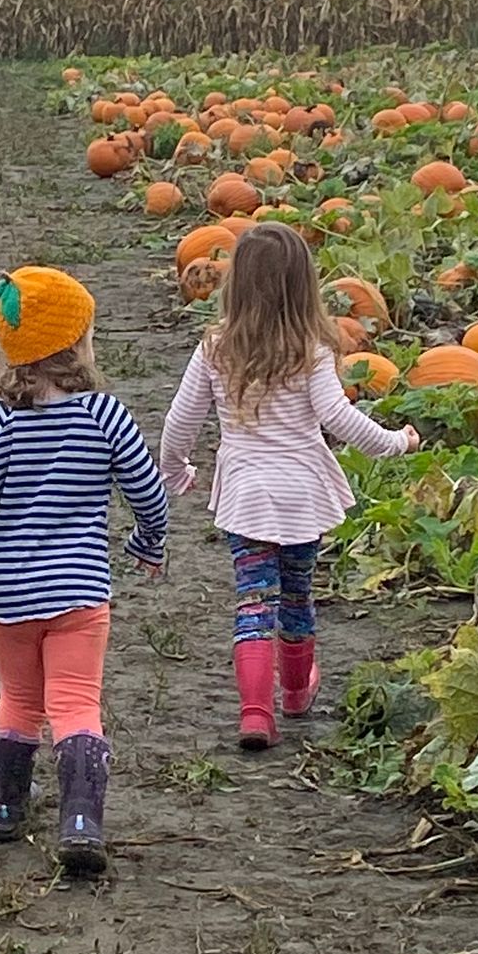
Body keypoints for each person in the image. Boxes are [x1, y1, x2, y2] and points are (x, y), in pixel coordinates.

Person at [0, 268, 168, 876]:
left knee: (18, 700)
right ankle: (81, 821)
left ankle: (7, 808)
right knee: (76, 702)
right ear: (78, 342)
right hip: (79, 592)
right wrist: (149, 539)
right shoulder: (105, 416)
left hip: (6, 596)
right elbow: (147, 490)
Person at [160, 221, 418, 751]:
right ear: (303, 285)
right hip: (303, 493)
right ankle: (297, 692)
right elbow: (339, 418)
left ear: (237, 284)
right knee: (298, 594)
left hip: (248, 496)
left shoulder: (215, 347)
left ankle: (256, 714)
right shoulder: (312, 350)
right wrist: (395, 443)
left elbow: (180, 422)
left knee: (254, 601)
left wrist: (174, 468)